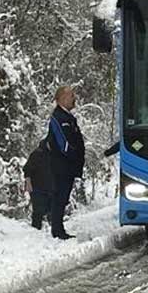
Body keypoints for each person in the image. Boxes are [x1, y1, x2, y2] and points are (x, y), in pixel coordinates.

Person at [47, 85, 85, 240]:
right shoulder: (58, 118)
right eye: (71, 96)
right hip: (61, 167)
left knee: (64, 197)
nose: (74, 98)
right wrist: (74, 156)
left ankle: (59, 228)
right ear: (62, 98)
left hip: (69, 167)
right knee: (60, 197)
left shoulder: (68, 117)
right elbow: (63, 143)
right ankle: (57, 230)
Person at [22, 139, 52, 230]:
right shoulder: (36, 154)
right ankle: (35, 232)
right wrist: (28, 183)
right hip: (37, 188)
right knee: (38, 211)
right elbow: (27, 169)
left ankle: (54, 233)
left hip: (50, 188)